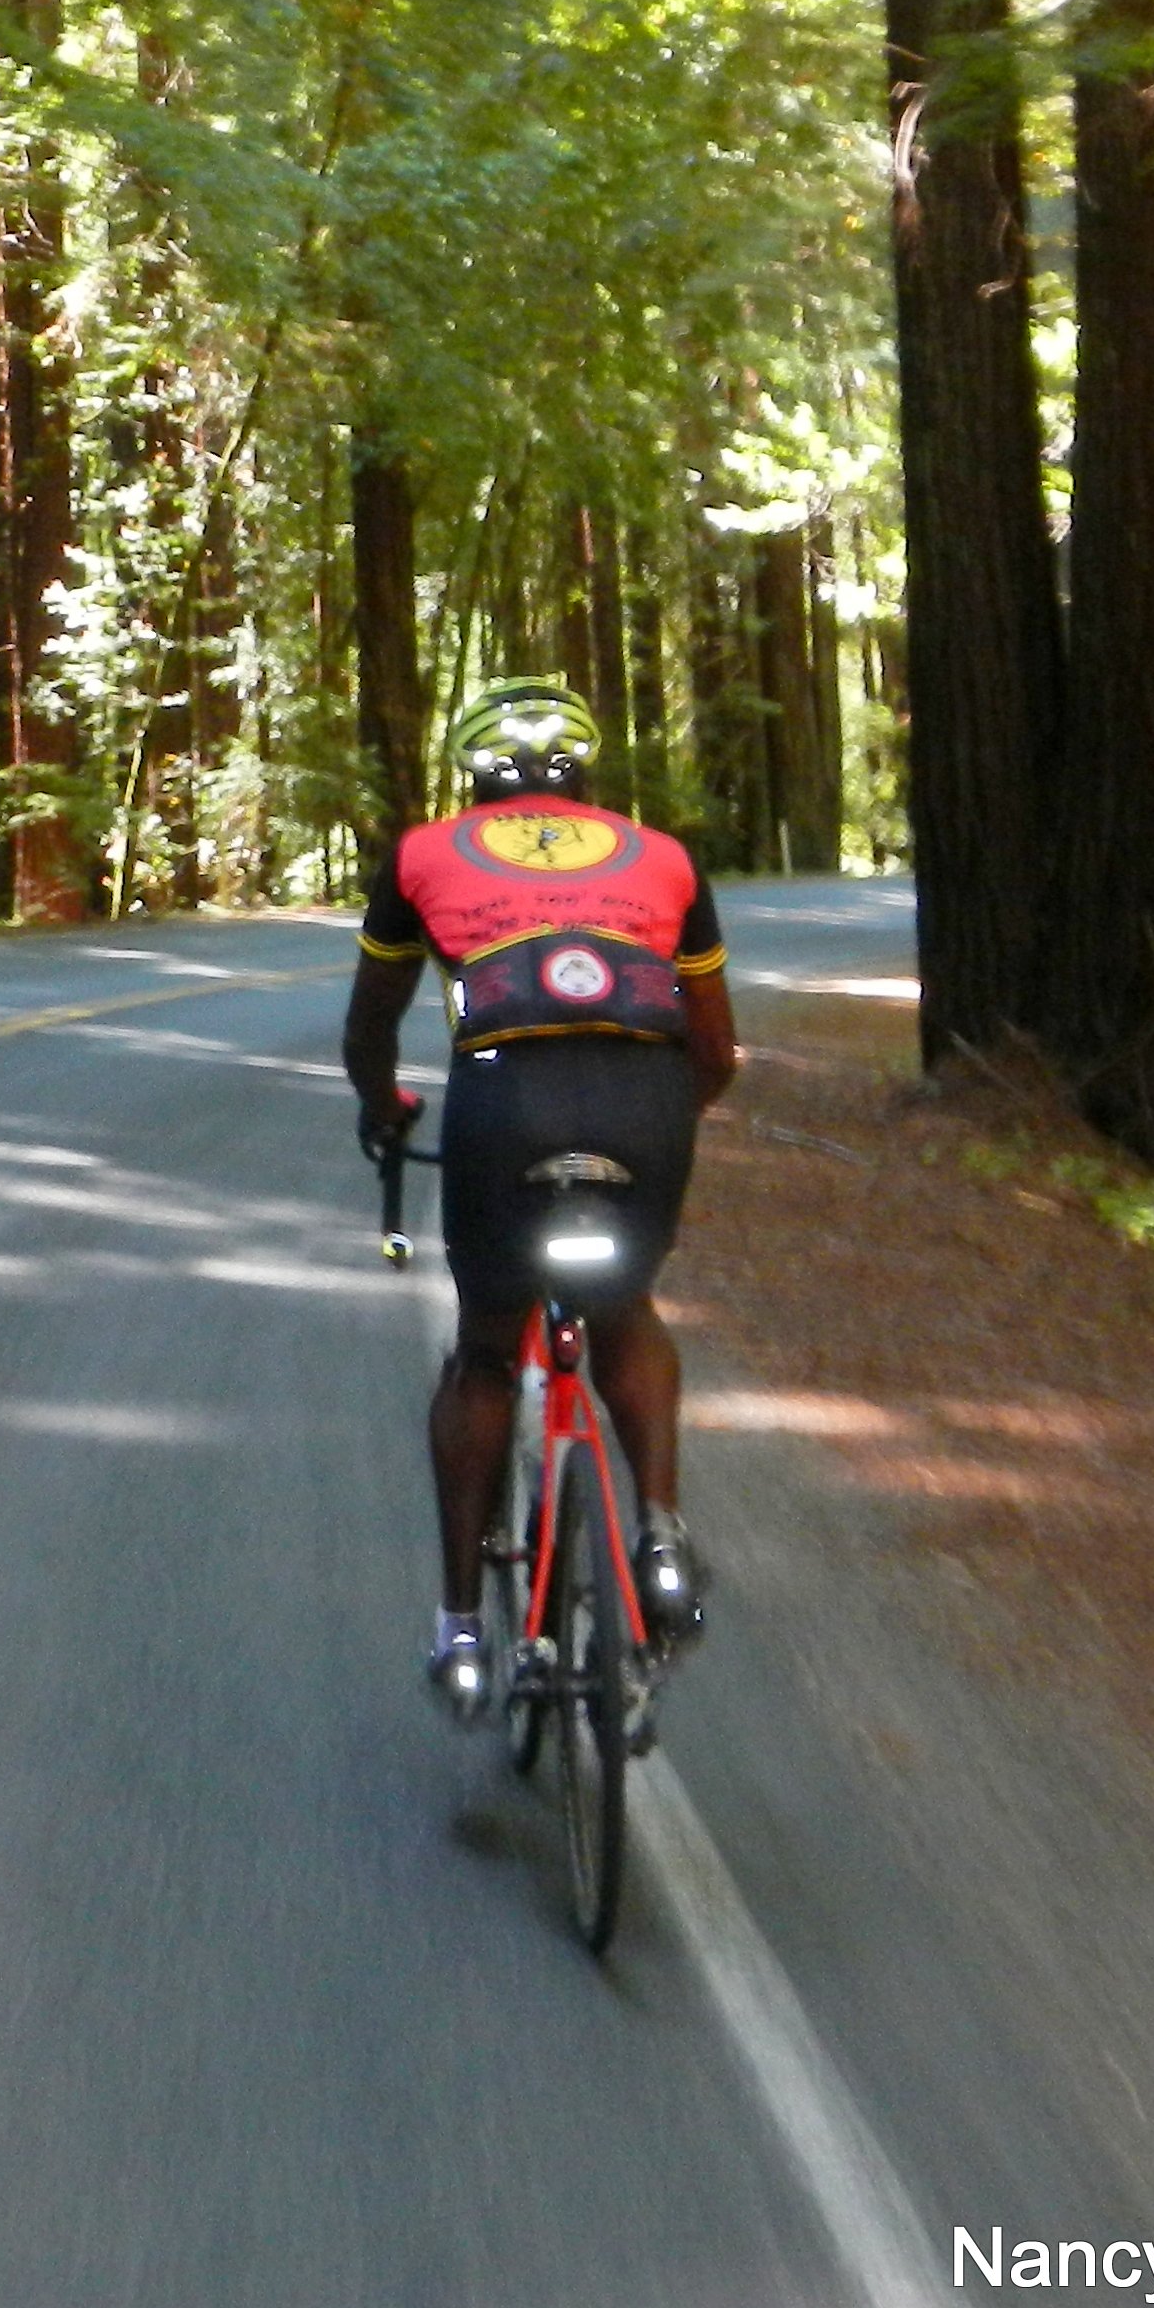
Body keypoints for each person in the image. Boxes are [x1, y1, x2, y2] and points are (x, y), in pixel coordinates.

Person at [343, 680, 734, 1718]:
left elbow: (370, 1028)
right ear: (584, 771)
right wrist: (664, 1125)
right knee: (626, 1308)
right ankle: (659, 1535)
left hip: (501, 1106)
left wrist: (386, 1109)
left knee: (485, 1352)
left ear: (475, 776)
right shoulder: (664, 857)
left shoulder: (421, 854)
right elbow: (714, 1048)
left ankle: (463, 1631)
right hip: (646, 1107)